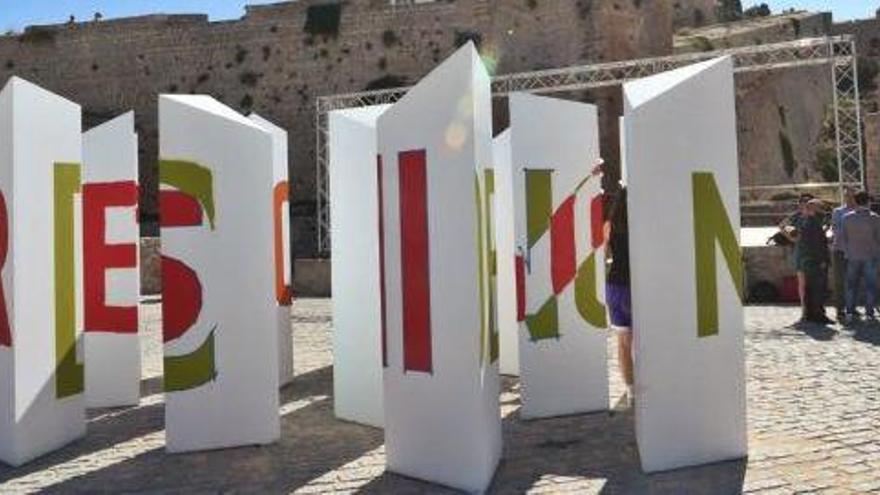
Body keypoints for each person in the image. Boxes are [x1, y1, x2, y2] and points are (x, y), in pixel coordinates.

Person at [603, 187, 633, 405]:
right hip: (637, 286)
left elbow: (603, 256)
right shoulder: (641, 225)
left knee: (623, 342)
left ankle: (630, 389)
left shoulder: (609, 226)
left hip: (615, 286)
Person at [839, 190, 880, 322]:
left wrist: (848, 252)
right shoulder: (875, 218)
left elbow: (843, 238)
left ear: (855, 201)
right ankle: (869, 313)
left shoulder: (846, 217)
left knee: (851, 285)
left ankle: (850, 312)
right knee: (870, 285)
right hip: (871, 255)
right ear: (868, 201)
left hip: (852, 256)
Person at [797, 199, 833, 324]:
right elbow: (816, 244)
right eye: (819, 207)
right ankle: (818, 315)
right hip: (816, 261)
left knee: (811, 288)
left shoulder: (806, 222)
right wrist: (822, 260)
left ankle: (810, 314)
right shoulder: (812, 223)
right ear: (813, 208)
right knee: (818, 289)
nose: (822, 210)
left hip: (809, 261)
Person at [831, 187, 857, 321]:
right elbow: (836, 230)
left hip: (855, 252)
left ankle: (851, 307)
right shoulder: (838, 212)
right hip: (840, 250)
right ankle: (840, 309)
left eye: (852, 196)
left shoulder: (860, 212)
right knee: (840, 281)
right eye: (847, 196)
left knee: (853, 280)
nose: (849, 198)